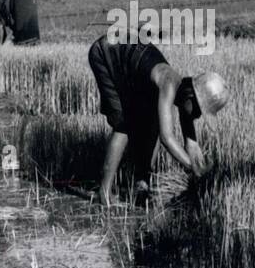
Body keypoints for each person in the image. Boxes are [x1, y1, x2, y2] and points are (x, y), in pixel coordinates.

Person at [87, 34, 229, 206]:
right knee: (124, 124)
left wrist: (200, 164)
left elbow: (191, 144)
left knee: (153, 122)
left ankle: (141, 182)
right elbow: (166, 138)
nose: (198, 116)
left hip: (127, 53)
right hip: (106, 51)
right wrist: (193, 169)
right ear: (190, 97)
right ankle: (104, 193)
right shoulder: (169, 83)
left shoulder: (185, 97)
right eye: (199, 111)